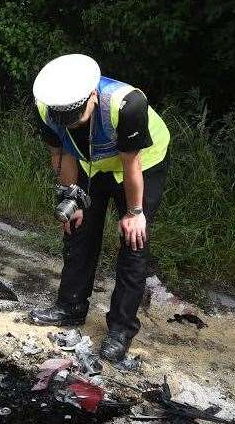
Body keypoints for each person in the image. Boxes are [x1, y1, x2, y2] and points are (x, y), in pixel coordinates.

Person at [29, 54, 171, 362]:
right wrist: (72, 199)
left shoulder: (127, 104)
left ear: (92, 95)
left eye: (78, 118)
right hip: (90, 161)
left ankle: (121, 329)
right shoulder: (46, 104)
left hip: (141, 165)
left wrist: (134, 213)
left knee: (134, 242)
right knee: (77, 227)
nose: (72, 124)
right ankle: (70, 307)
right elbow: (62, 155)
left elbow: (130, 162)